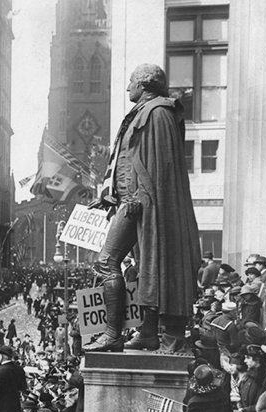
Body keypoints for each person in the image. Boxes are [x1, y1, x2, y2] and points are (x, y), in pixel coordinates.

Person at [85, 63, 200, 354]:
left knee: (107, 262)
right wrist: (111, 193)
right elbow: (130, 162)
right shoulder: (143, 112)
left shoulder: (159, 112)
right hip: (132, 203)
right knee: (145, 265)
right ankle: (147, 332)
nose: (127, 88)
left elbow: (161, 169)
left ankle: (113, 334)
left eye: (131, 81)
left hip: (142, 205)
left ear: (145, 83)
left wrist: (138, 197)